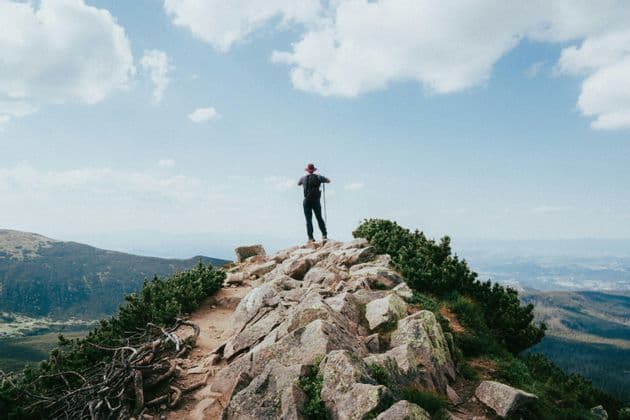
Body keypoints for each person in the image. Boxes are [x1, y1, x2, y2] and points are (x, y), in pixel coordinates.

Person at [298, 163, 331, 242]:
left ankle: (310, 238)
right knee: (319, 218)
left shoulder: (303, 178)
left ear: (307, 170)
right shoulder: (318, 177)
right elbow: (329, 181)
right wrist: (322, 180)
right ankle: (324, 234)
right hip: (316, 201)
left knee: (308, 220)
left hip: (306, 201)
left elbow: (298, 184)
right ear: (313, 170)